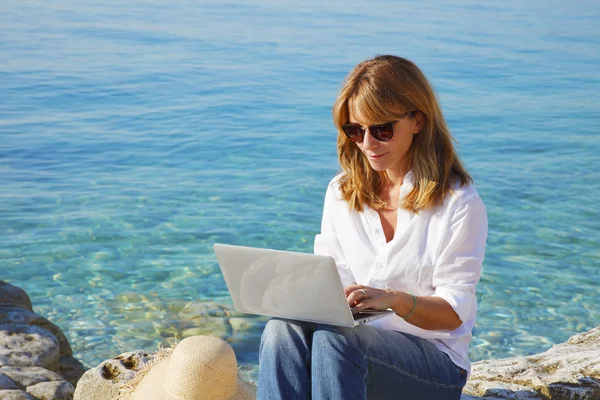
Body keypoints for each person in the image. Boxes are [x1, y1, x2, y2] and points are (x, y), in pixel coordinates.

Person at [257, 55, 488, 400]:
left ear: (417, 122)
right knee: (281, 331)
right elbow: (332, 276)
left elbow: (454, 314)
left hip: (433, 367)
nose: (367, 143)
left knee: (338, 340)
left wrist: (393, 299)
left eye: (381, 129)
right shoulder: (341, 193)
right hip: (350, 352)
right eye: (355, 130)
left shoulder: (457, 203)